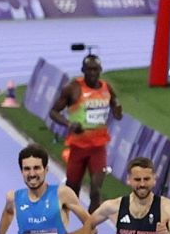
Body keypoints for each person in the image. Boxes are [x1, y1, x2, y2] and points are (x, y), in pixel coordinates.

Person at [48, 53, 122, 215]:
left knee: (96, 190)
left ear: (100, 70)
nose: (92, 73)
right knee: (72, 190)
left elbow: (117, 111)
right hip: (78, 147)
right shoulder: (72, 88)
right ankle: (63, 222)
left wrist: (117, 109)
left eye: (95, 70)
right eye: (89, 70)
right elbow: (53, 112)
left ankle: (90, 226)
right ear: (83, 70)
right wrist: (69, 124)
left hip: (98, 147)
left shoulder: (106, 88)